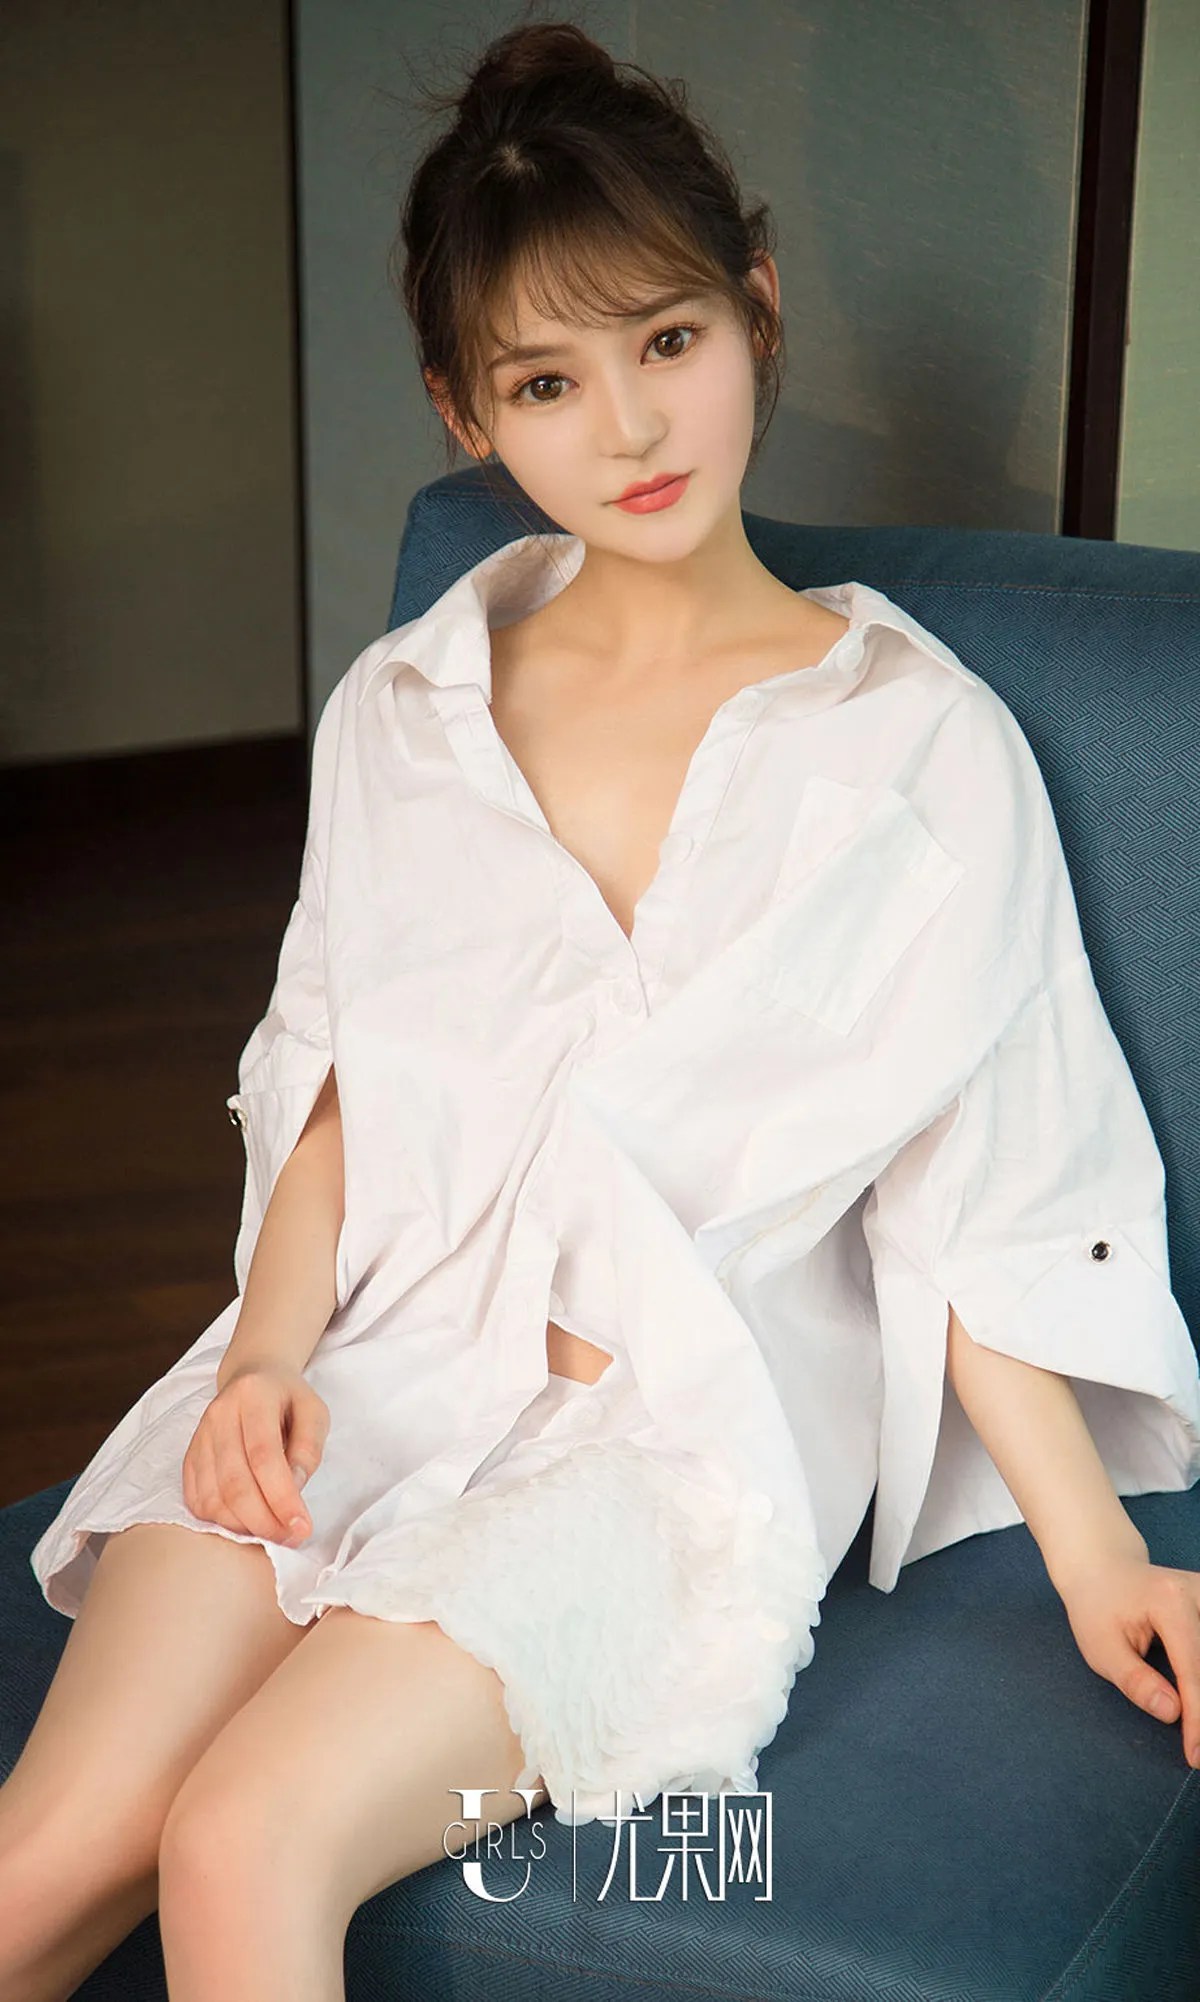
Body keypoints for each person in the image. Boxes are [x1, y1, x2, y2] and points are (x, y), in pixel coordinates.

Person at [7, 15, 1200, 1995]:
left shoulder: (919, 746)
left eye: (669, 339)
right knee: (36, 1866)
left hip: (655, 1459)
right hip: (366, 1363)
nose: (632, 428)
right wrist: (261, 1358)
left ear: (758, 308)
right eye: (549, 382)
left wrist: (1102, 1558)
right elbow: (336, 1079)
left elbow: (976, 1176)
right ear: (467, 410)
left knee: (243, 1838)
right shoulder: (409, 705)